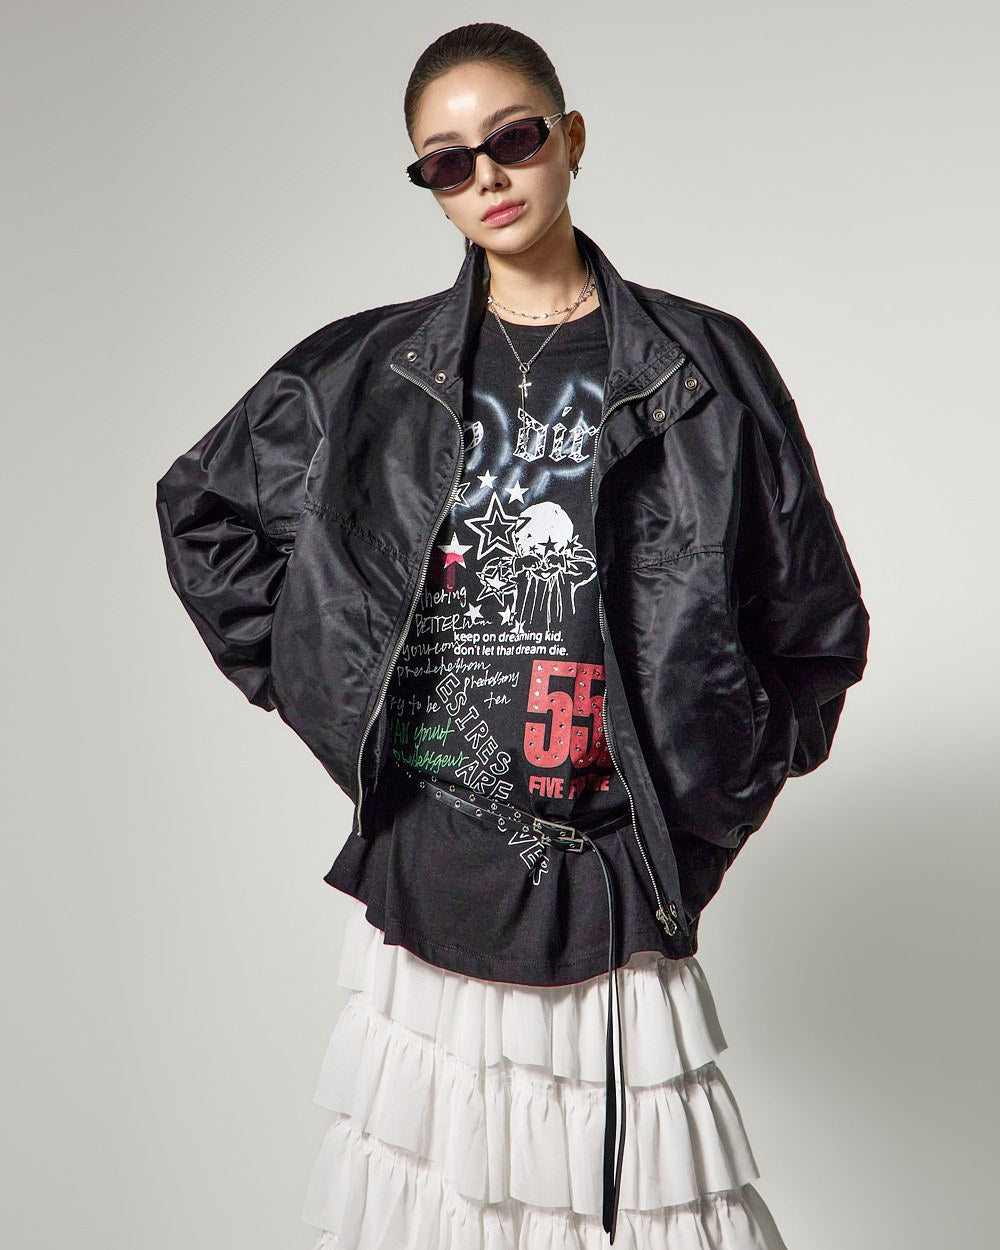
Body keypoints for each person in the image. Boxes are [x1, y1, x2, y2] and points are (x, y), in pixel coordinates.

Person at [155, 21, 869, 1249]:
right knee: (443, 1210)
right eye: (446, 161)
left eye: (514, 139)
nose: (485, 176)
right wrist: (322, 681)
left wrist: (704, 791)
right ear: (429, 186)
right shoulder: (365, 370)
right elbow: (202, 509)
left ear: (570, 139)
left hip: (614, 863)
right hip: (433, 851)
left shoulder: (703, 363)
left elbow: (810, 622)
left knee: (643, 1208)